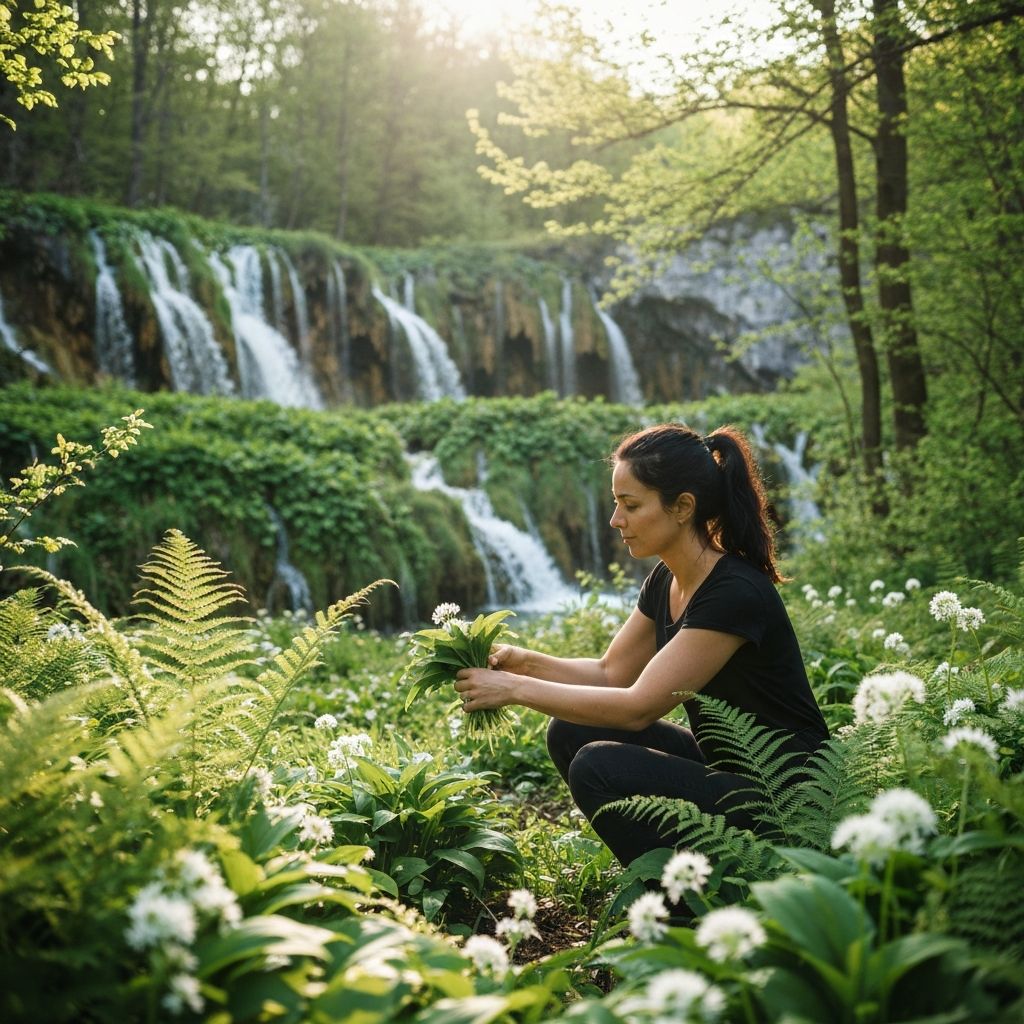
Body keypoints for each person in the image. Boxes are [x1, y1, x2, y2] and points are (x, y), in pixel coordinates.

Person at [453, 423, 829, 868]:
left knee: (598, 766)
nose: (616, 520)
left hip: (787, 795)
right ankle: (694, 868)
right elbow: (610, 673)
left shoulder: (733, 592)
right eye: (616, 503)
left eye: (630, 505)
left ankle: (681, 897)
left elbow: (638, 708)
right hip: (731, 769)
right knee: (570, 731)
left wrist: (514, 691)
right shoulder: (666, 579)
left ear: (683, 507)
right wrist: (523, 664)